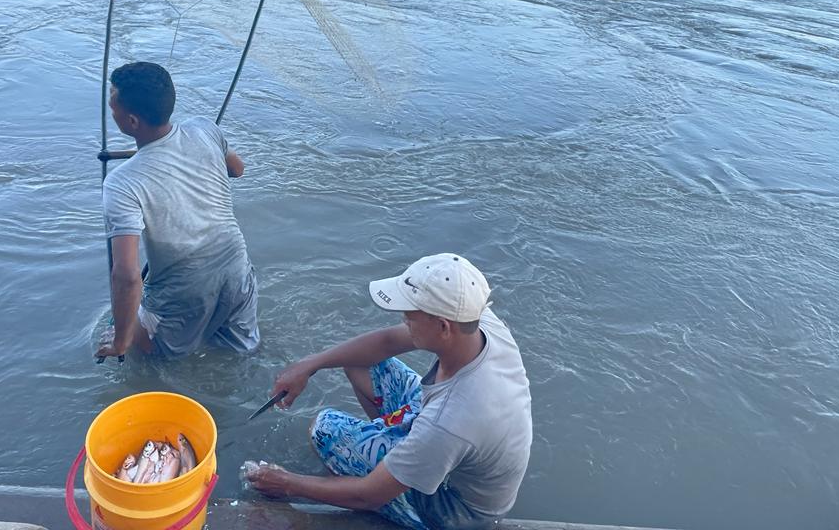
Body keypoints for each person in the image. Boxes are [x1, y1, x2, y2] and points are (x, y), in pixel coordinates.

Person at [246, 253, 532, 530]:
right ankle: (390, 454)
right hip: (449, 445)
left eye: (409, 315)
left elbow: (367, 495)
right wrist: (309, 365)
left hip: (452, 513)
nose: (403, 319)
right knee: (359, 361)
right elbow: (384, 342)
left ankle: (383, 465)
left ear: (443, 327)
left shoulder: (450, 422)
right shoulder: (478, 321)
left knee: (324, 428)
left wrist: (285, 482)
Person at [94, 61, 259, 360]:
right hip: (237, 267)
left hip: (182, 291)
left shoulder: (121, 183)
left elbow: (128, 276)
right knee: (240, 357)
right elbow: (237, 169)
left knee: (153, 361)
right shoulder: (205, 129)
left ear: (131, 122)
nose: (111, 110)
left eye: (112, 106)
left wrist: (121, 340)